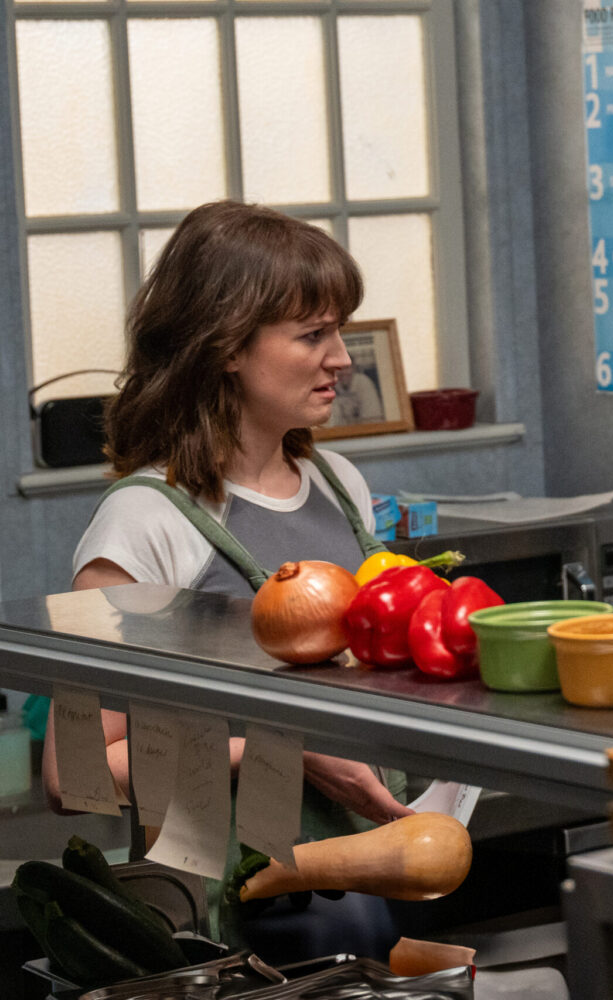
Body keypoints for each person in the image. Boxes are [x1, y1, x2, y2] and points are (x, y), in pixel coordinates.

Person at [42, 199, 414, 948]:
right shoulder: (145, 522)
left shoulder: (340, 485)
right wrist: (292, 754)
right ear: (227, 347)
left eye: (339, 330)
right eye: (313, 334)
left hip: (371, 869)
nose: (343, 358)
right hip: (235, 915)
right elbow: (74, 774)